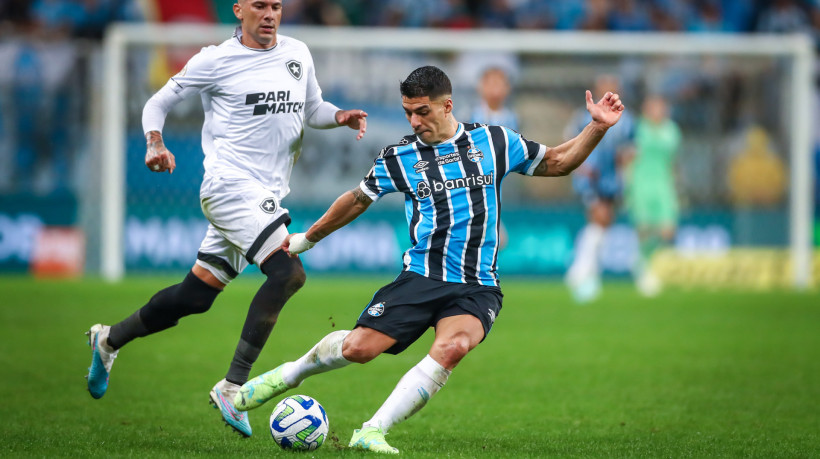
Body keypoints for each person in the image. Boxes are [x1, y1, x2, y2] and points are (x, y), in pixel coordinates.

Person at [232, 65, 624, 454]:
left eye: (422, 111)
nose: (415, 121)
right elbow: (357, 200)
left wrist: (597, 127)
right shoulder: (400, 156)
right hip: (422, 276)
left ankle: (372, 430)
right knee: (358, 349)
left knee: (453, 347)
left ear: (447, 105)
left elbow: (557, 161)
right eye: (408, 112)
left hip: (478, 284)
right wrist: (308, 238)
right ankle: (291, 374)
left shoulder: (494, 141)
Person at [84, 0, 368, 438]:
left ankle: (108, 339)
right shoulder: (215, 60)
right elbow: (157, 102)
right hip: (229, 187)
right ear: (239, 10)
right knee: (288, 272)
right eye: (260, 5)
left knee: (195, 295)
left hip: (265, 193)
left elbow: (312, 109)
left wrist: (339, 116)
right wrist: (155, 143)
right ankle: (233, 386)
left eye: (276, 6)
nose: (270, 14)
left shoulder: (297, 52)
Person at [563, 74, 634, 303]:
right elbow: (569, 141)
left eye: (612, 86)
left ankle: (586, 271)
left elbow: (630, 150)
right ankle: (580, 272)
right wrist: (579, 167)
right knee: (599, 217)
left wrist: (624, 167)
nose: (608, 90)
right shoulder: (582, 115)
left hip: (612, 179)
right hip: (590, 177)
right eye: (604, 86)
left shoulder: (627, 119)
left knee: (603, 223)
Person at [624, 95, 681, 297]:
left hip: (663, 185)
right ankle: (645, 268)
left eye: (660, 107)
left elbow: (673, 161)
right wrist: (626, 184)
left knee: (667, 230)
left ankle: (645, 261)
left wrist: (676, 186)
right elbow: (627, 158)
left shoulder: (672, 131)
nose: (657, 111)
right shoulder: (637, 130)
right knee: (645, 228)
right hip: (641, 183)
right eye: (652, 107)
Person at [470, 66, 519, 131]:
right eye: (490, 85)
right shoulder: (474, 115)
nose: (495, 91)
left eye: (499, 85)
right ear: (480, 87)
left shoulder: (511, 118)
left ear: (507, 88)